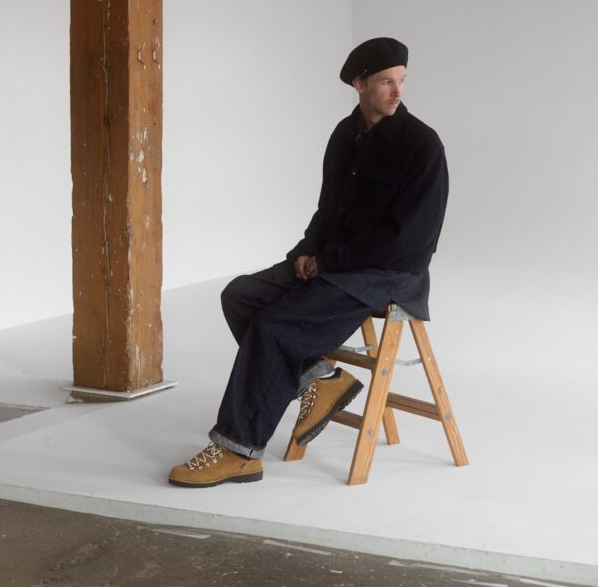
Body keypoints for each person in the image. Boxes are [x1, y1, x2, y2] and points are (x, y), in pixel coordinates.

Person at [168, 37, 449, 488]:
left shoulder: (422, 146)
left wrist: (329, 261)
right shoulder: (344, 135)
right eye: (385, 82)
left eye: (401, 81)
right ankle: (321, 379)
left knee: (275, 327)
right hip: (336, 262)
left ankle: (239, 451)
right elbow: (328, 210)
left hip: (389, 274)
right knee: (241, 295)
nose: (398, 92)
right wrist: (305, 251)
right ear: (359, 84)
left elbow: (409, 241)